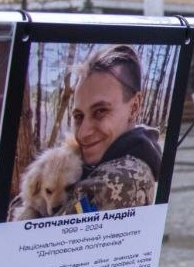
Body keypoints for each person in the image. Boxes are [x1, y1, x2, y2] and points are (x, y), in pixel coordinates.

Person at [60, 44, 161, 214]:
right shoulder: (108, 157)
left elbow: (34, 230)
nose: (83, 134)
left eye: (100, 111)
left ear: (134, 107)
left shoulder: (118, 179)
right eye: (78, 116)